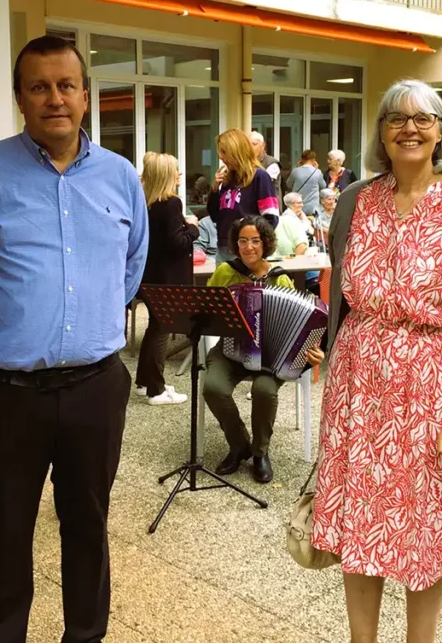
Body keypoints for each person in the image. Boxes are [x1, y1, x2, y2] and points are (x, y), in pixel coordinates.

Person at [0, 35, 147, 643]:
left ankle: (85, 635)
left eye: (66, 85)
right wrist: (6, 322)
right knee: (4, 534)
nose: (55, 98)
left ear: (85, 96)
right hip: (4, 395)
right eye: (39, 87)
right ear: (20, 98)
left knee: (88, 527)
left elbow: (130, 268)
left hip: (95, 389)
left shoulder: (120, 177)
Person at [312, 79, 442, 643]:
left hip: (432, 387)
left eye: (424, 118)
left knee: (427, 527)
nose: (410, 128)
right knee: (359, 519)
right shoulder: (355, 200)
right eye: (396, 118)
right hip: (358, 386)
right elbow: (343, 297)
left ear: (441, 131)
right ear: (381, 133)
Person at [203, 216, 324, 484]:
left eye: (255, 241)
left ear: (265, 243)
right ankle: (239, 445)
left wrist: (313, 351)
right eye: (243, 241)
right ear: (236, 244)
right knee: (213, 387)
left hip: (272, 357)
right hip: (231, 349)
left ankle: (260, 453)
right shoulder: (225, 272)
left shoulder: (280, 278)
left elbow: (301, 325)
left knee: (264, 390)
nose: (248, 247)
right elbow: (207, 310)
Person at [136, 152, 197, 406]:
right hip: (168, 279)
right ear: (165, 175)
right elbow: (177, 243)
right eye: (175, 169)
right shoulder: (171, 204)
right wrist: (193, 228)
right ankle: (156, 390)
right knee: (161, 330)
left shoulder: (147, 203)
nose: (179, 174)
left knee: (154, 328)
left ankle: (144, 382)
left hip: (151, 276)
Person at [207, 128, 279, 265]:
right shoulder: (228, 178)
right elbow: (215, 216)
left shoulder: (260, 177)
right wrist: (215, 189)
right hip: (224, 247)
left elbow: (271, 218)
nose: (220, 157)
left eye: (224, 151)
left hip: (246, 251)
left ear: (237, 151)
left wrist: (253, 245)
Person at [287, 149, 327, 215]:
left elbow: (288, 184)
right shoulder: (317, 172)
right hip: (313, 208)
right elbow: (323, 186)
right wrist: (316, 169)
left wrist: (297, 168)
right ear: (314, 160)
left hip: (297, 206)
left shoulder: (295, 171)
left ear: (301, 160)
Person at [249, 131, 282, 208]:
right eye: (248, 145)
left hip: (269, 207)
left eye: (254, 144)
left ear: (263, 145)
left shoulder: (272, 163)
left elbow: (263, 185)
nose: (250, 148)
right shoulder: (246, 162)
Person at [275, 192, 312, 257]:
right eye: (299, 203)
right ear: (291, 204)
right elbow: (307, 231)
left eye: (302, 202)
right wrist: (305, 220)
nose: (302, 205)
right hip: (290, 254)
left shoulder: (297, 215)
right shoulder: (288, 217)